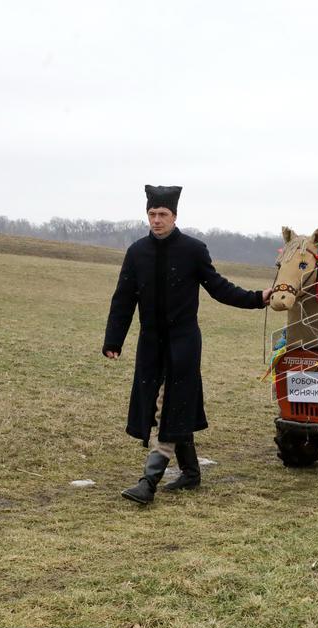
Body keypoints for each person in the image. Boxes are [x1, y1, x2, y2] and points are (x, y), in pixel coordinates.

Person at [104, 186, 273, 504]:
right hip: (150, 344)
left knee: (170, 404)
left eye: (162, 214)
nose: (156, 220)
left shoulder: (193, 249)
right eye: (152, 214)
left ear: (175, 216)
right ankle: (191, 472)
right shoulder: (136, 252)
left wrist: (256, 298)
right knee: (169, 404)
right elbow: (123, 299)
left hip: (183, 343)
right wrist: (114, 340)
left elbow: (219, 287)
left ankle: (148, 482)